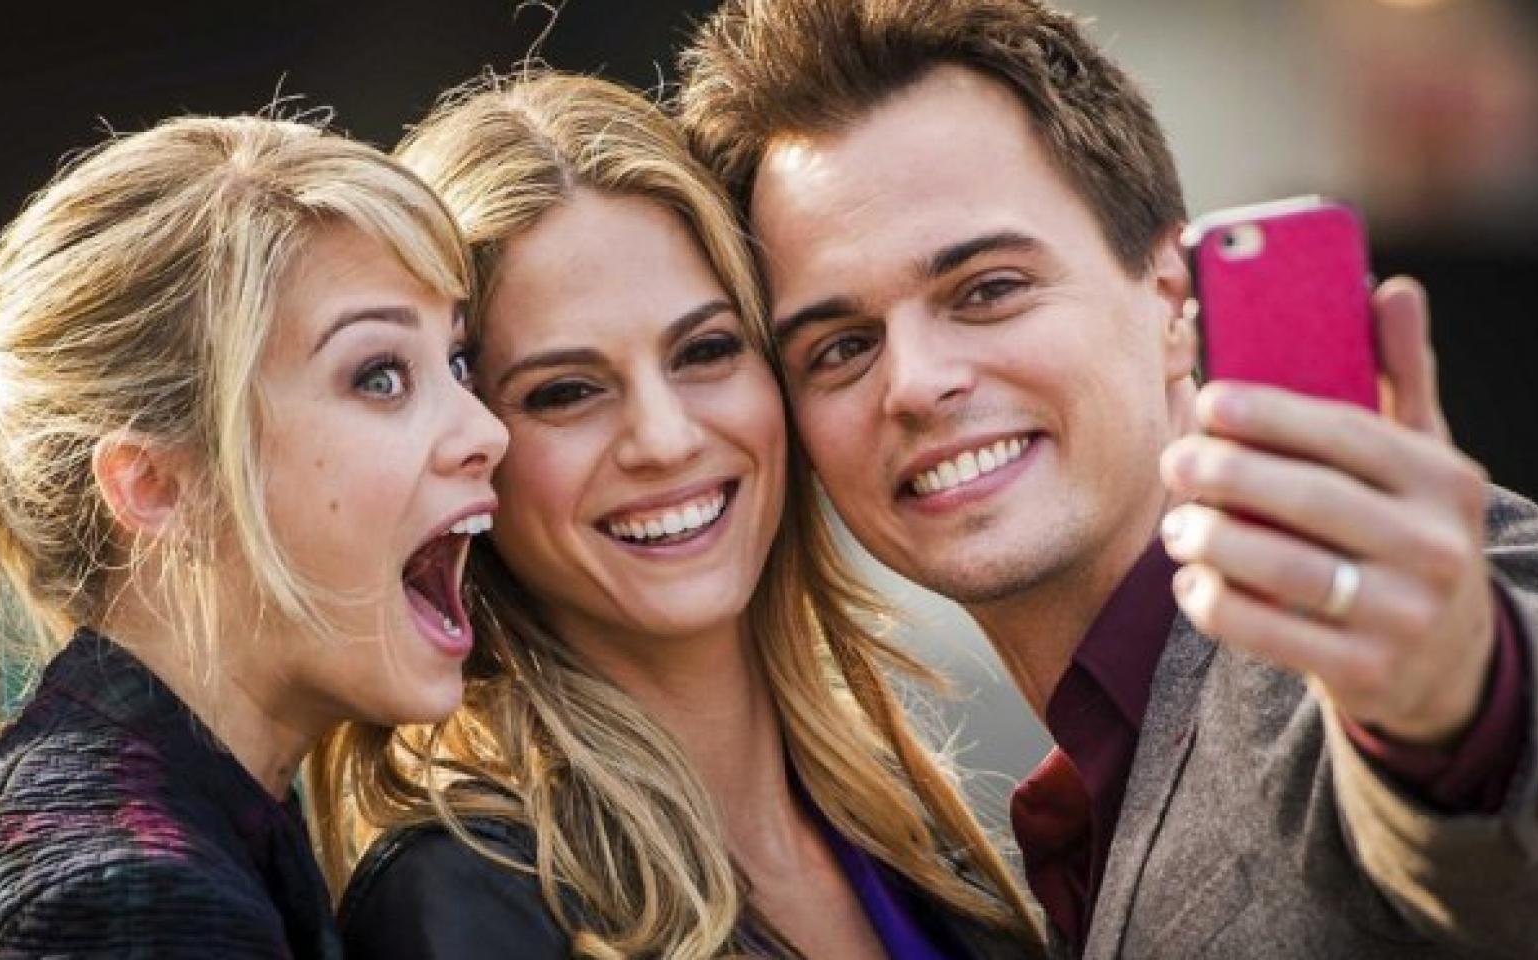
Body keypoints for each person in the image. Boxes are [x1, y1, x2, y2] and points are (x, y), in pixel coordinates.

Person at [676, 1, 1538, 957]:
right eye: (839, 346)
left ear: (1172, 296)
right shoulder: (1012, 852)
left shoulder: (1362, 613)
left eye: (988, 289)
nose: (912, 383)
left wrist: (1459, 697)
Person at [317, 72, 1047, 959]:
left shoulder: (914, 839)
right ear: (471, 449)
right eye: (567, 392)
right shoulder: (465, 896)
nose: (663, 441)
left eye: (705, 350)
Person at [0, 115, 508, 957]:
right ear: (155, 485)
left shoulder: (189, 827)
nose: (486, 430)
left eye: (457, 361)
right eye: (379, 376)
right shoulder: (129, 899)